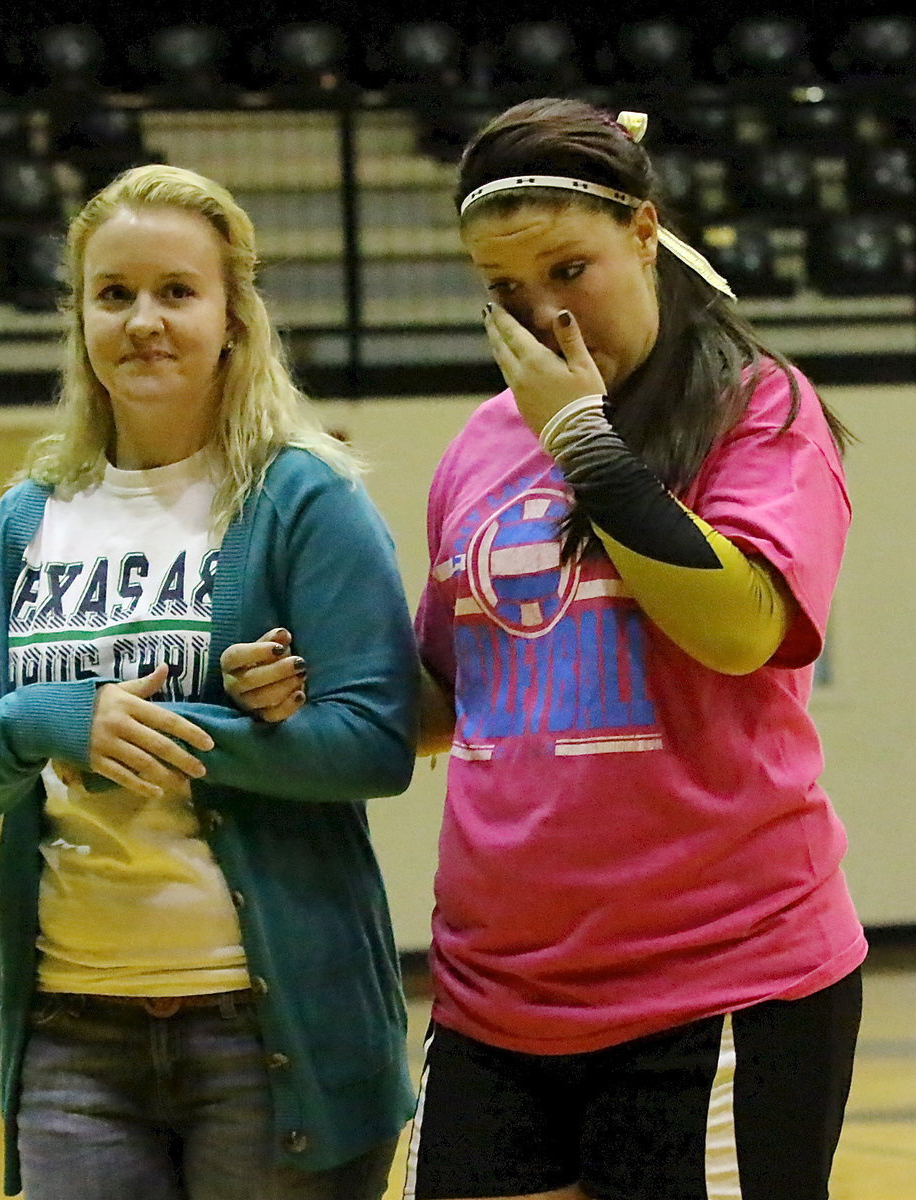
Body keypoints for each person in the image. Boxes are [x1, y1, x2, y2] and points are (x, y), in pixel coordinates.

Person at [222, 99, 866, 1200]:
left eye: (570, 271)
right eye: (508, 291)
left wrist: (582, 439)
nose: (543, 316)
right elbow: (447, 701)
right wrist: (307, 679)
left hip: (720, 981)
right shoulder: (478, 442)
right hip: (497, 992)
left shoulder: (757, 409)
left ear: (646, 233)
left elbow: (742, 628)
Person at [0, 163, 420, 1200]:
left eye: (177, 292)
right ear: (80, 318)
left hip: (269, 1037)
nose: (145, 321)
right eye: (115, 294)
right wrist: (47, 720)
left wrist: (190, 732)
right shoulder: (25, 521)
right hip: (71, 1033)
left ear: (234, 318)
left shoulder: (302, 499)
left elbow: (374, 742)